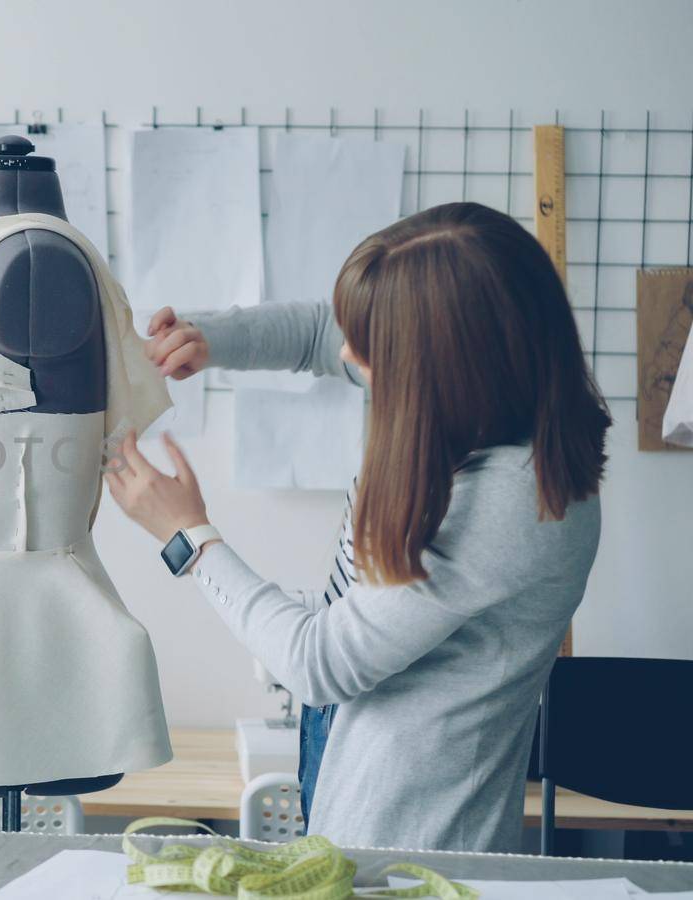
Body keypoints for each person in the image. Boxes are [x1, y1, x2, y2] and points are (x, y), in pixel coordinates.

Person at [105, 202, 611, 852]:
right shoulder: (475, 397)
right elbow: (323, 333)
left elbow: (317, 662)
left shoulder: (513, 503)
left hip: (417, 842)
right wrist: (212, 338)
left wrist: (190, 538)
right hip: (350, 768)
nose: (348, 356)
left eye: (372, 350)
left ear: (442, 365)